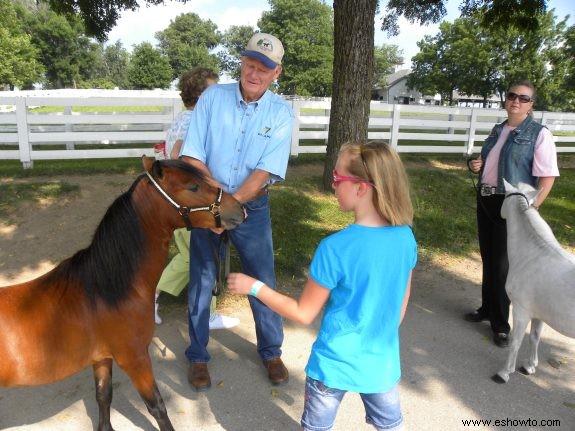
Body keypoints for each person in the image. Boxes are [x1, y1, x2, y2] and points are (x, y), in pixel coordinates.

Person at [228, 141, 416, 431]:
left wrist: (254, 286)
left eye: (338, 179)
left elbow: (303, 313)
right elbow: (398, 311)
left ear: (361, 188)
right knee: (392, 426)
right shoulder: (406, 238)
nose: (333, 185)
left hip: (333, 364)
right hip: (381, 363)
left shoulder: (335, 248)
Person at [179, 32, 294, 391]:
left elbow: (265, 172)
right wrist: (215, 207)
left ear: (277, 73)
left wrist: (229, 207)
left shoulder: (281, 113)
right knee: (200, 279)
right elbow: (191, 155)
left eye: (264, 68)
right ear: (241, 62)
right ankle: (198, 356)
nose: (254, 73)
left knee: (261, 278)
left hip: (252, 207)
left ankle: (271, 351)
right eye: (250, 64)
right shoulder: (212, 99)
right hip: (207, 204)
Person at [465, 79, 559, 348]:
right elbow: (491, 163)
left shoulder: (539, 135)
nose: (516, 101)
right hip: (487, 199)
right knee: (488, 257)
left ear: (531, 105)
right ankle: (486, 308)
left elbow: (548, 177)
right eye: (512, 95)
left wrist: (530, 208)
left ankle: (500, 324)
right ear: (506, 99)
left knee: (502, 265)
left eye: (524, 98)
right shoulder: (498, 129)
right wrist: (477, 165)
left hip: (513, 207)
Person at [154, 67, 239, 331]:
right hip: (190, 203)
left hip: (175, 201)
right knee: (202, 256)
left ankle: (157, 298)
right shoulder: (195, 121)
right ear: (202, 95)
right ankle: (204, 312)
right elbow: (180, 154)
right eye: (214, 90)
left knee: (190, 254)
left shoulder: (182, 118)